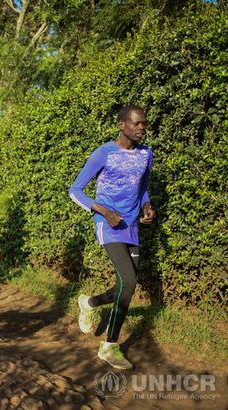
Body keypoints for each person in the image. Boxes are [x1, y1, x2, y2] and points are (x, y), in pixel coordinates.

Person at [69, 105, 155, 370]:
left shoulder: (146, 154)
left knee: (125, 286)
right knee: (129, 280)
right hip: (107, 224)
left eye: (144, 123)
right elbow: (75, 190)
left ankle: (90, 303)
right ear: (121, 125)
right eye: (136, 123)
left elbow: (141, 187)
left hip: (131, 225)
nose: (142, 127)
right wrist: (104, 211)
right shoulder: (104, 153)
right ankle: (110, 346)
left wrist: (147, 205)